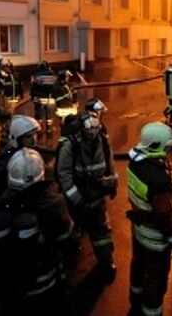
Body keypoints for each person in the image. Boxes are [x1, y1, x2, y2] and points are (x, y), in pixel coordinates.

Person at [0, 148, 76, 315]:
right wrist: (71, 264)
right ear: (41, 174)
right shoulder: (54, 204)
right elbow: (67, 239)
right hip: (47, 283)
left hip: (11, 290)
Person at [126, 122, 172, 316]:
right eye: (168, 147)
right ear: (156, 146)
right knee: (156, 279)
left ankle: (135, 298)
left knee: (138, 265)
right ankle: (151, 312)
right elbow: (162, 217)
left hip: (139, 231)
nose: (170, 151)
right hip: (155, 240)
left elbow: (146, 198)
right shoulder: (158, 180)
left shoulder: (135, 164)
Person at [55, 112, 118, 281]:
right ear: (81, 130)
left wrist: (113, 183)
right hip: (77, 201)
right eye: (89, 131)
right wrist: (77, 199)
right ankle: (71, 262)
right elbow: (64, 175)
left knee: (102, 234)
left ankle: (106, 262)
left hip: (96, 199)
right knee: (72, 232)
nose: (92, 134)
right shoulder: (70, 145)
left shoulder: (103, 141)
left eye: (96, 130)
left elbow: (110, 166)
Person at [0, 114, 42, 209]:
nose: (34, 139)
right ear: (18, 139)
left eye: (35, 134)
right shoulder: (13, 160)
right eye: (28, 136)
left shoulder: (23, 151)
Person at [31, 61, 58, 129]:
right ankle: (49, 128)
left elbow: (33, 88)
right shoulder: (54, 75)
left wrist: (32, 97)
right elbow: (56, 87)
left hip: (39, 98)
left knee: (39, 113)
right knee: (50, 114)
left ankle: (39, 127)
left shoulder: (36, 76)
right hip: (50, 98)